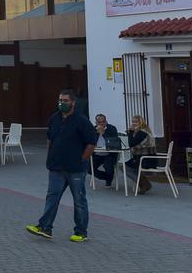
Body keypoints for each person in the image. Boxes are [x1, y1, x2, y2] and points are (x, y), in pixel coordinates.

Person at [25, 89, 97, 243]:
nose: (62, 103)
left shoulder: (82, 121)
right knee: (52, 197)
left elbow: (91, 143)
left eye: (65, 101)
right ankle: (45, 227)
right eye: (60, 100)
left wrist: (82, 160)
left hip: (76, 169)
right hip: (56, 167)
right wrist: (50, 156)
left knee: (79, 200)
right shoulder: (54, 118)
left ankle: (81, 232)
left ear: (72, 102)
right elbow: (50, 138)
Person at [126, 115, 155, 194]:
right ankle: (145, 184)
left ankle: (145, 184)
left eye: (136, 122)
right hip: (144, 157)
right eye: (133, 122)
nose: (134, 123)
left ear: (141, 122)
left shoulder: (142, 132)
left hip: (146, 158)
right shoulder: (143, 130)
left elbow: (131, 143)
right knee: (126, 167)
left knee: (125, 167)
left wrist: (130, 132)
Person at [91, 113, 121, 187]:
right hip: (97, 153)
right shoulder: (93, 129)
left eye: (103, 122)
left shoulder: (112, 128)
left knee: (108, 166)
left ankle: (109, 177)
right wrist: (96, 134)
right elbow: (90, 141)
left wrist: (103, 133)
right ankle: (108, 177)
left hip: (109, 153)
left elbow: (114, 142)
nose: (101, 124)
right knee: (88, 167)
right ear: (96, 122)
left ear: (106, 121)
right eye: (99, 122)